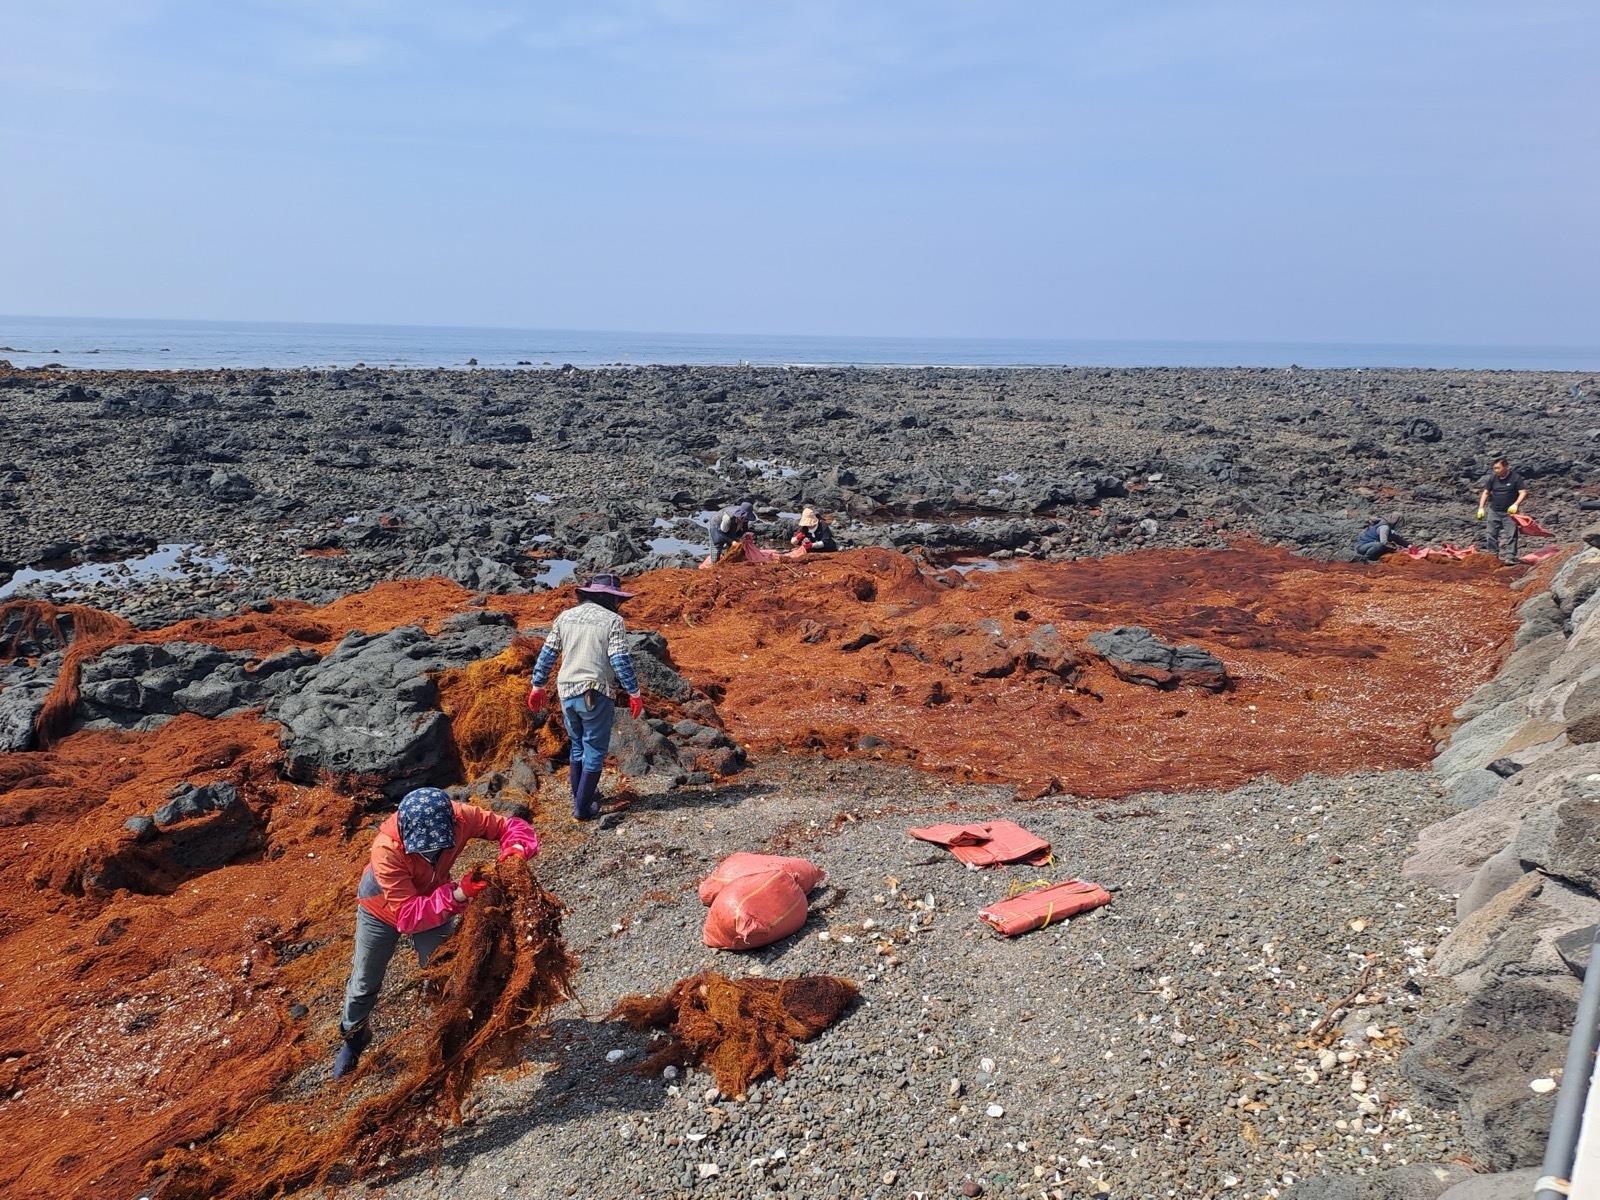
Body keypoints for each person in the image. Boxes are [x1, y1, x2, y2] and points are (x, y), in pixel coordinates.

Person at [333, 786, 539, 1079]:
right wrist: (458, 895)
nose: (430, 850)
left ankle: (443, 1035)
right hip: (381, 910)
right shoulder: (385, 849)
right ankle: (353, 1039)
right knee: (364, 983)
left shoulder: (462, 817)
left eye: (437, 845)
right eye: (423, 846)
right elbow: (409, 917)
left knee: (442, 973)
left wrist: (514, 852)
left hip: (434, 897)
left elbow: (513, 827)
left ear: (451, 824)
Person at [526, 572, 644, 821]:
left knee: (577, 745)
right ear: (611, 598)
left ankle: (581, 795)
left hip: (566, 690)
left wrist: (537, 685)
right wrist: (634, 692)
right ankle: (583, 808)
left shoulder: (565, 617)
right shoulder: (613, 621)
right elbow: (620, 660)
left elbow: (548, 654)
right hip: (594, 691)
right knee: (595, 749)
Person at [1476, 456, 1529, 563]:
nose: (1495, 470)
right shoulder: (1493, 478)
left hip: (1509, 513)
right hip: (1494, 510)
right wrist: (1481, 508)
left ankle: (1510, 557)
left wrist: (1516, 504)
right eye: (1494, 468)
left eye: (1498, 468)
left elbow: (1523, 492)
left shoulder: (1515, 478)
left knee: (1511, 535)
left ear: (1506, 467)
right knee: (1491, 534)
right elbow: (1486, 492)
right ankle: (1493, 555)